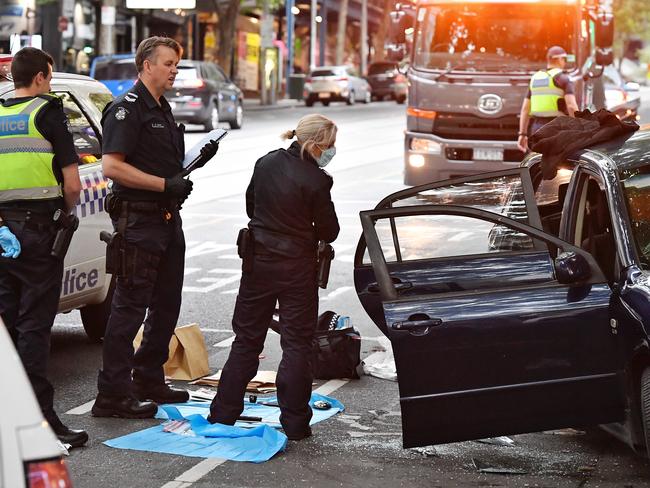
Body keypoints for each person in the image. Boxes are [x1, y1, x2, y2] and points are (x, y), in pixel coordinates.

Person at [92, 37, 218, 418]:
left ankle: (148, 377)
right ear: (146, 65)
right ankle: (112, 394)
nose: (174, 71)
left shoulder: (161, 109)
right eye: (168, 64)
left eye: (176, 64)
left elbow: (158, 164)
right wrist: (165, 185)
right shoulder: (127, 110)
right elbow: (111, 167)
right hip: (139, 220)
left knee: (167, 303)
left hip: (165, 218)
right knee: (129, 309)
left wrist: (191, 166)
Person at [208, 114, 340, 441]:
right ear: (316, 144)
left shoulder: (265, 163)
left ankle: (223, 413)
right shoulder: (317, 180)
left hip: (258, 262)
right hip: (296, 267)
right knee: (296, 344)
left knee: (247, 339)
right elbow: (329, 230)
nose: (332, 150)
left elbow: (252, 206)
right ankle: (295, 423)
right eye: (330, 144)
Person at [0, 47, 86, 446]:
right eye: (49, 78)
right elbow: (72, 184)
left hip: (3, 233)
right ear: (38, 78)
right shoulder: (48, 112)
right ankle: (41, 424)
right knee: (34, 327)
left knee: (8, 326)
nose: (49, 84)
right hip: (38, 234)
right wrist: (66, 214)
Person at [517, 46, 579, 152]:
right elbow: (571, 106)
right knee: (558, 164)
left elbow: (525, 110)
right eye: (564, 59)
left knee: (537, 163)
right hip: (557, 128)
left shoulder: (535, 78)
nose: (564, 62)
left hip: (537, 128)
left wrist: (522, 134)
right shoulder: (563, 78)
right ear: (559, 59)